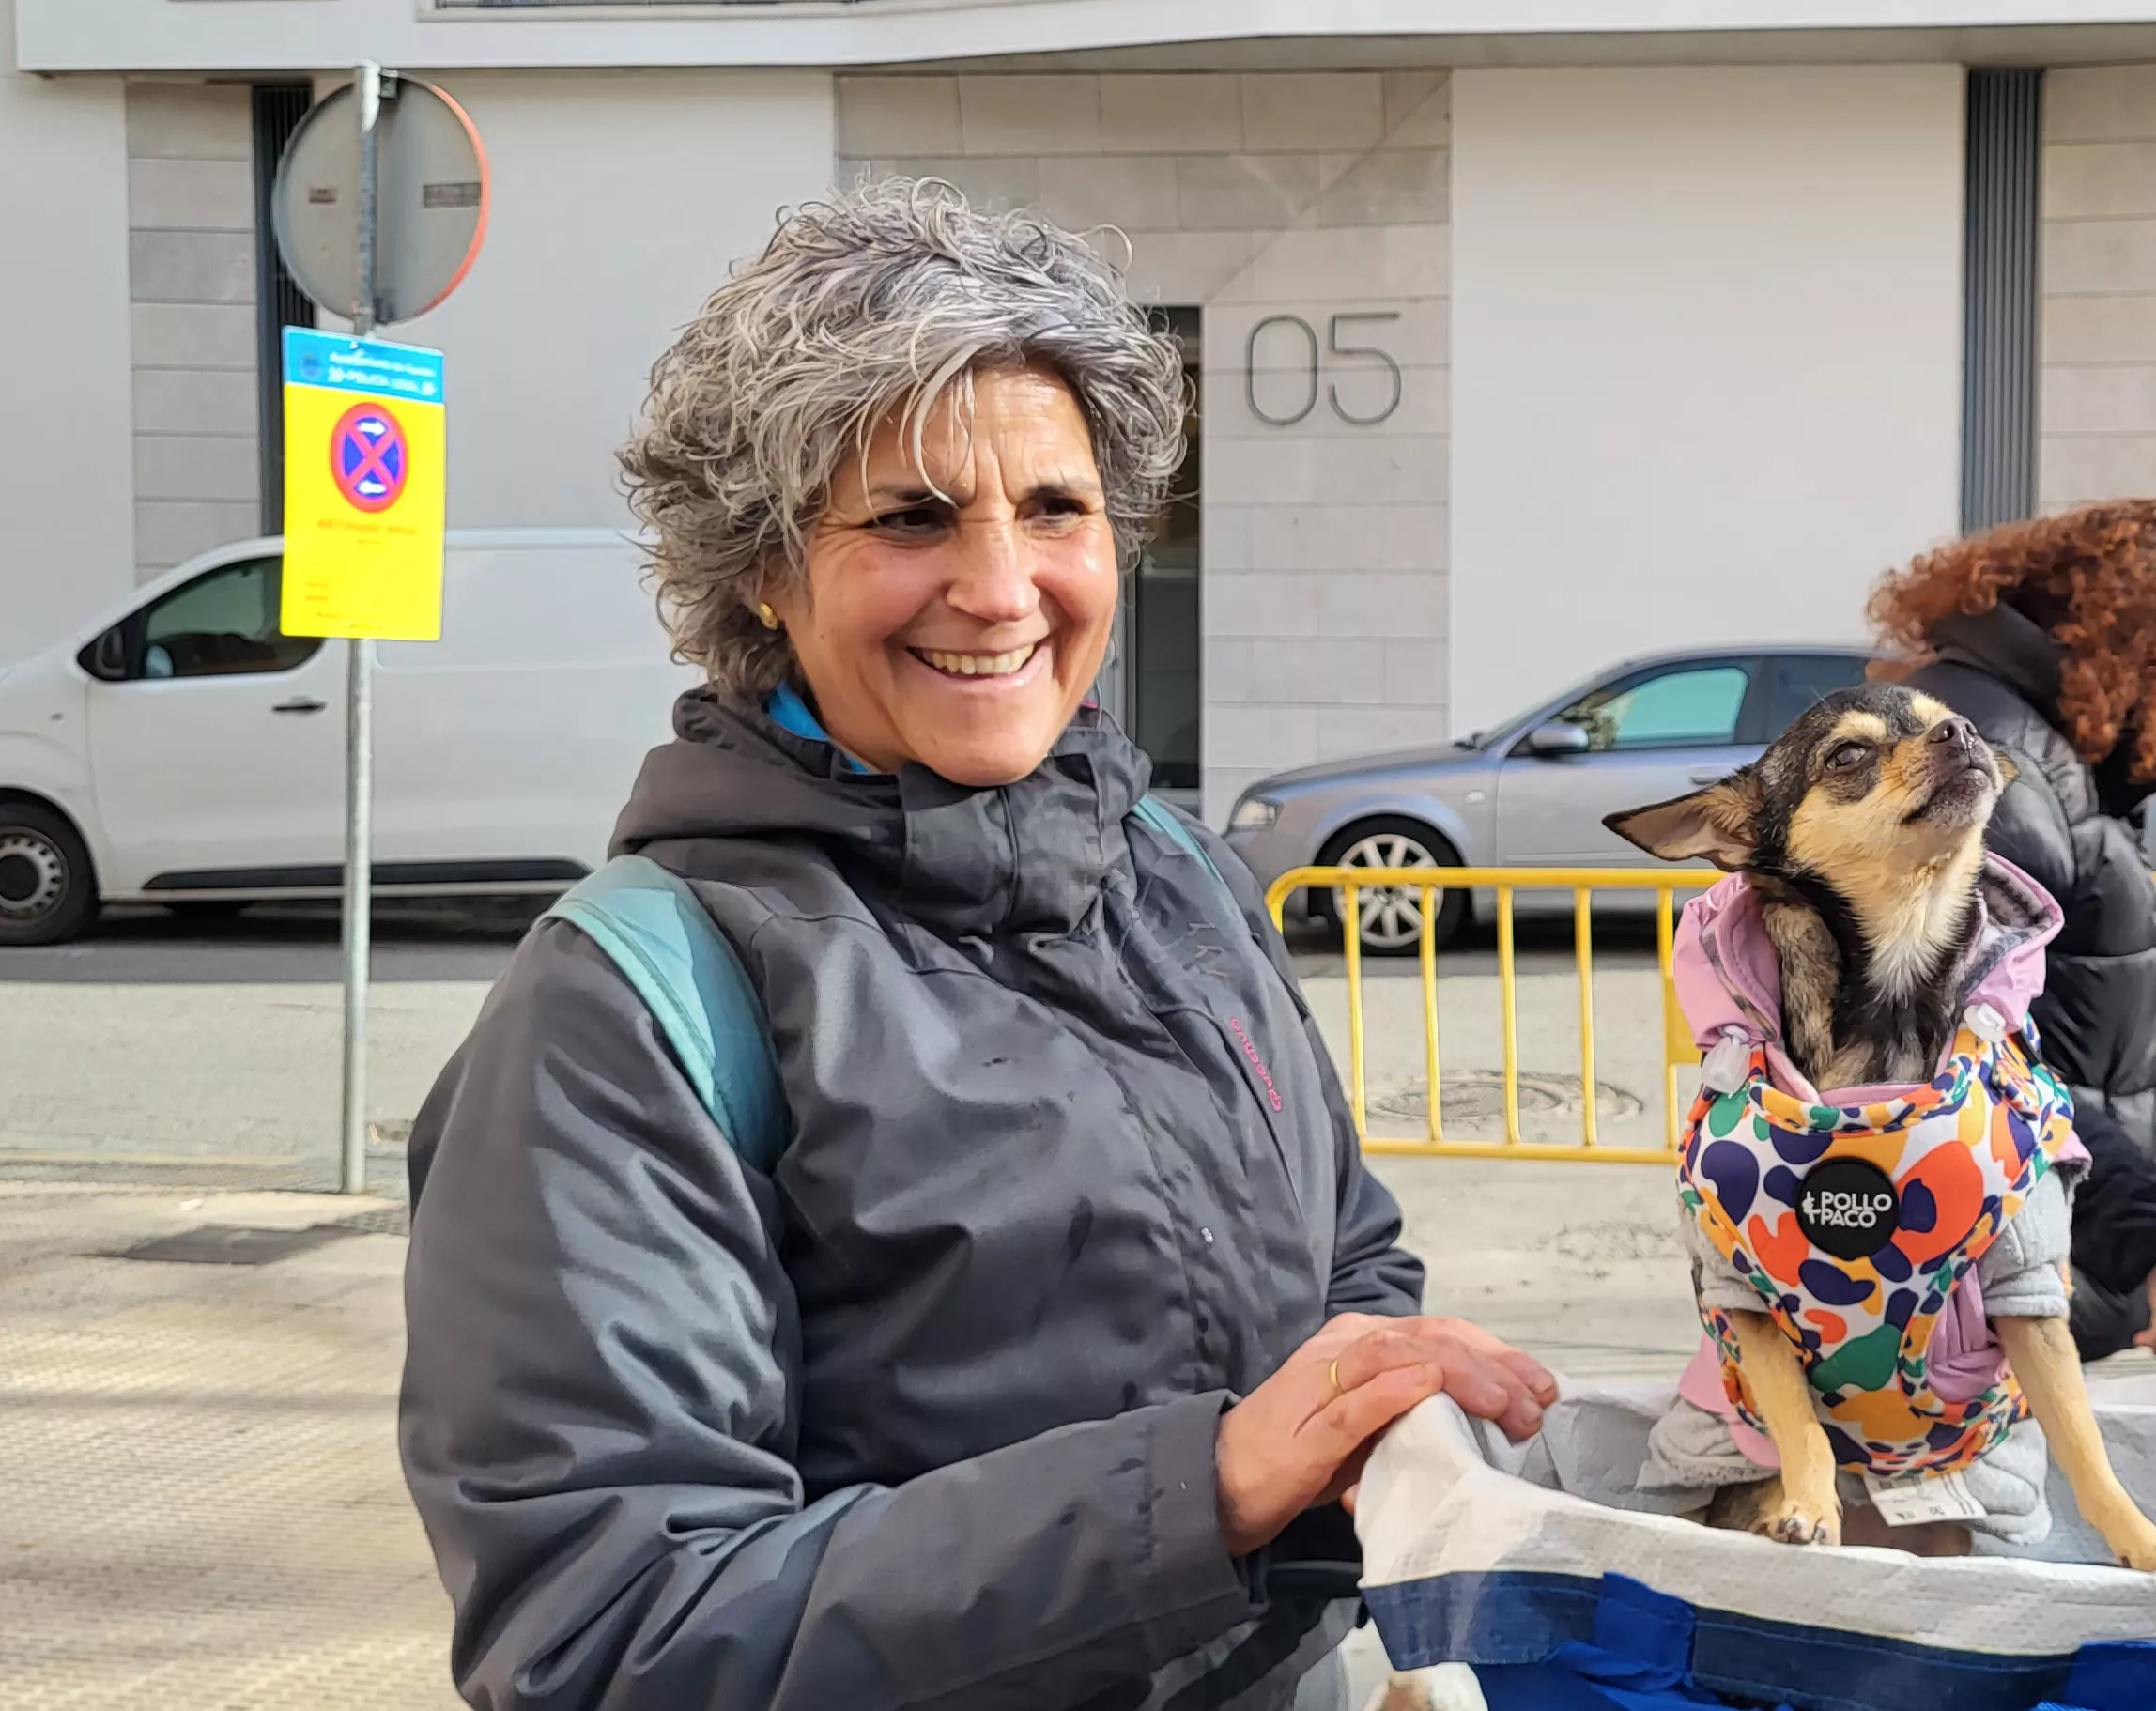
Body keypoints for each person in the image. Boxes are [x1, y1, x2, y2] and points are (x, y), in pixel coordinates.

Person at [394, 182, 1555, 1710]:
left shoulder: (1177, 876)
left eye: (1056, 508)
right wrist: (1199, 1496)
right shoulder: (632, 1008)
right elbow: (616, 1630)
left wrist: (1373, 1417)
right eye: (910, 515)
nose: (1002, 586)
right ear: (764, 567)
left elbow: (1348, 1247)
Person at [1867, 499, 2156, 1364]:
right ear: (2150, 647)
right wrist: (2145, 1226)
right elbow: (1950, 1042)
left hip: (1981, 1241)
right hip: (1974, 1259)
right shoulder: (1991, 765)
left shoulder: (2002, 737)